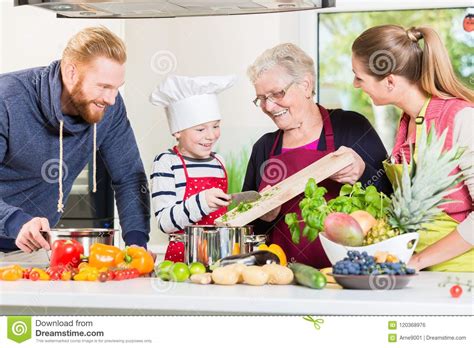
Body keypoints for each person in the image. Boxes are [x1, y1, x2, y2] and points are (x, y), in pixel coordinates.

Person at [0, 26, 150, 253]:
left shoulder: (110, 107)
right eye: (103, 86)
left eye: (116, 88)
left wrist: (137, 243)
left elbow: (129, 176)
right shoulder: (7, 98)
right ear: (71, 72)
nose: (111, 99)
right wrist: (15, 221)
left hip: (28, 249)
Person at [242, 43, 391, 269]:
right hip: (283, 278)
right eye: (261, 98)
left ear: (305, 85)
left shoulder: (351, 127)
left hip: (349, 274)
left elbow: (390, 199)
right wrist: (263, 215)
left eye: (277, 94)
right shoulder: (264, 148)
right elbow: (247, 231)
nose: (269, 106)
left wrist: (363, 172)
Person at [352, 25, 473, 272]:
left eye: (359, 76)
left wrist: (416, 261)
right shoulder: (408, 122)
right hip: (421, 272)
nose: (355, 84)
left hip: (461, 277)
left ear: (389, 81)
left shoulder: (462, 119)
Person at [149, 75, 235, 262]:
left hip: (219, 257)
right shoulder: (167, 162)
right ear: (177, 131)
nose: (211, 136)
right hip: (183, 260)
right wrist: (202, 202)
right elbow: (164, 222)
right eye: (200, 130)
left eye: (216, 126)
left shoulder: (218, 161)